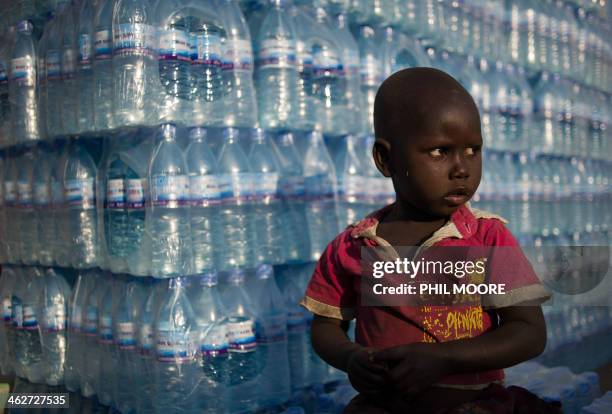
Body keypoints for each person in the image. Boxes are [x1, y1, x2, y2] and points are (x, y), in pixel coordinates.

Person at [300, 68, 559, 413]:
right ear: (386, 159)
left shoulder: (486, 237)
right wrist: (352, 358)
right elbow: (326, 326)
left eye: (472, 150)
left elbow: (528, 332)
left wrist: (445, 358)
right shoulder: (355, 245)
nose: (462, 168)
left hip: (472, 404)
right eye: (440, 151)